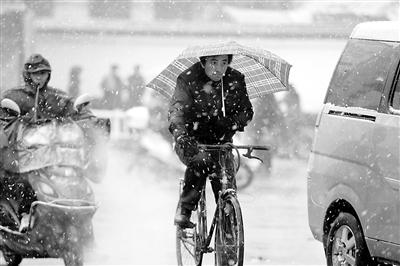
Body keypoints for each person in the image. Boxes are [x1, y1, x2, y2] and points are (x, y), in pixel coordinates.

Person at [168, 54, 253, 228]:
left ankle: (229, 237)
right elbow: (177, 111)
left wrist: (231, 123)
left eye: (224, 63)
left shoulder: (235, 79)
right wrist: (182, 136)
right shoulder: (188, 79)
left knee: (226, 186)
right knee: (202, 161)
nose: (219, 69)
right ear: (203, 62)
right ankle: (184, 209)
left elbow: (247, 111)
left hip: (222, 142)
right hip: (192, 141)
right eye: (213, 62)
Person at [0, 54, 82, 231]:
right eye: (35, 73)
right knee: (24, 179)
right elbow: (3, 118)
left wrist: (94, 123)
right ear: (27, 75)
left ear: (49, 74)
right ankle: (24, 214)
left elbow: (78, 114)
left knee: (74, 175)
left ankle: (82, 218)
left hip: (54, 153)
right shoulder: (14, 96)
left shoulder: (58, 97)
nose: (39, 77)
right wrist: (16, 123)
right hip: (23, 152)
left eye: (43, 73)